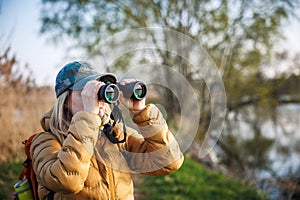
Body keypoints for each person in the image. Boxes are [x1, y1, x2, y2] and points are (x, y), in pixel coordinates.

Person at [30, 61, 184, 199]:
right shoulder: (45, 142)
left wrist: (141, 111)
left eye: (101, 90)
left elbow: (169, 162)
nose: (99, 98)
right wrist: (88, 118)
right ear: (65, 101)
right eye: (88, 91)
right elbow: (67, 181)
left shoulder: (115, 135)